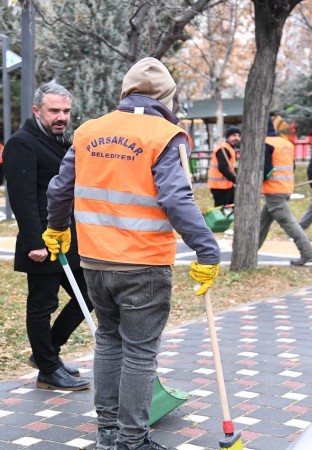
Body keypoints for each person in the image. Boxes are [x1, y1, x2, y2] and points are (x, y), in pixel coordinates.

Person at [42, 57, 221, 450]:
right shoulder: (165, 134)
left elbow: (59, 190)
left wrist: (56, 228)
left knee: (108, 340)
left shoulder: (89, 131)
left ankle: (108, 431)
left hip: (95, 261)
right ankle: (132, 440)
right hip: (143, 263)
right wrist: (207, 250)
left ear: (125, 92)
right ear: (167, 96)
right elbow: (176, 198)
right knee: (139, 352)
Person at [2, 82, 92, 391]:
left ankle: (47, 353)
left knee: (89, 293)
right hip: (41, 238)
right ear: (37, 110)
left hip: (67, 236)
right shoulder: (21, 144)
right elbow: (22, 198)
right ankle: (48, 369)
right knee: (42, 304)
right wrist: (34, 243)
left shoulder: (61, 141)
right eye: (54, 110)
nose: (61, 117)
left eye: (66, 111)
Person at [258, 119, 312, 266]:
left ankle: (307, 253)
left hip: (273, 189)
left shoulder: (266, 143)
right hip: (285, 187)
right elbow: (293, 166)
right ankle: (251, 250)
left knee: (289, 223)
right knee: (262, 222)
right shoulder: (286, 143)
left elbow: (265, 169)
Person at [207, 126, 240, 207]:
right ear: (227, 137)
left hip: (227, 185)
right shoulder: (223, 149)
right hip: (219, 186)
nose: (237, 138)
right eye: (234, 135)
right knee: (220, 211)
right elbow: (223, 168)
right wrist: (235, 180)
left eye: (238, 135)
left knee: (230, 208)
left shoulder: (230, 148)